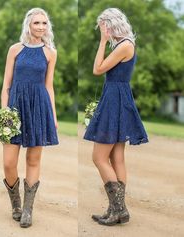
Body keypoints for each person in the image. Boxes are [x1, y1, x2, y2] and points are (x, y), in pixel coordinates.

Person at [83, 8, 148, 226]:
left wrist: (102, 41)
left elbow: (97, 69)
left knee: (99, 158)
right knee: (116, 157)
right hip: (117, 97)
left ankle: (120, 209)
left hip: (114, 99)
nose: (103, 30)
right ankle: (115, 209)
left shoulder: (125, 45)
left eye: (103, 26)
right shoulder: (126, 44)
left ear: (111, 25)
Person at [0, 7, 59, 228]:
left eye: (44, 23)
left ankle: (27, 210)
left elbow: (49, 86)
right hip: (15, 108)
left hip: (38, 108)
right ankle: (15, 204)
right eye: (37, 23)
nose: (41, 27)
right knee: (8, 163)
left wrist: (52, 115)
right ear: (28, 25)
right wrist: (5, 112)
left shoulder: (50, 52)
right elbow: (6, 85)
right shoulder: (15, 50)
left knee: (33, 160)